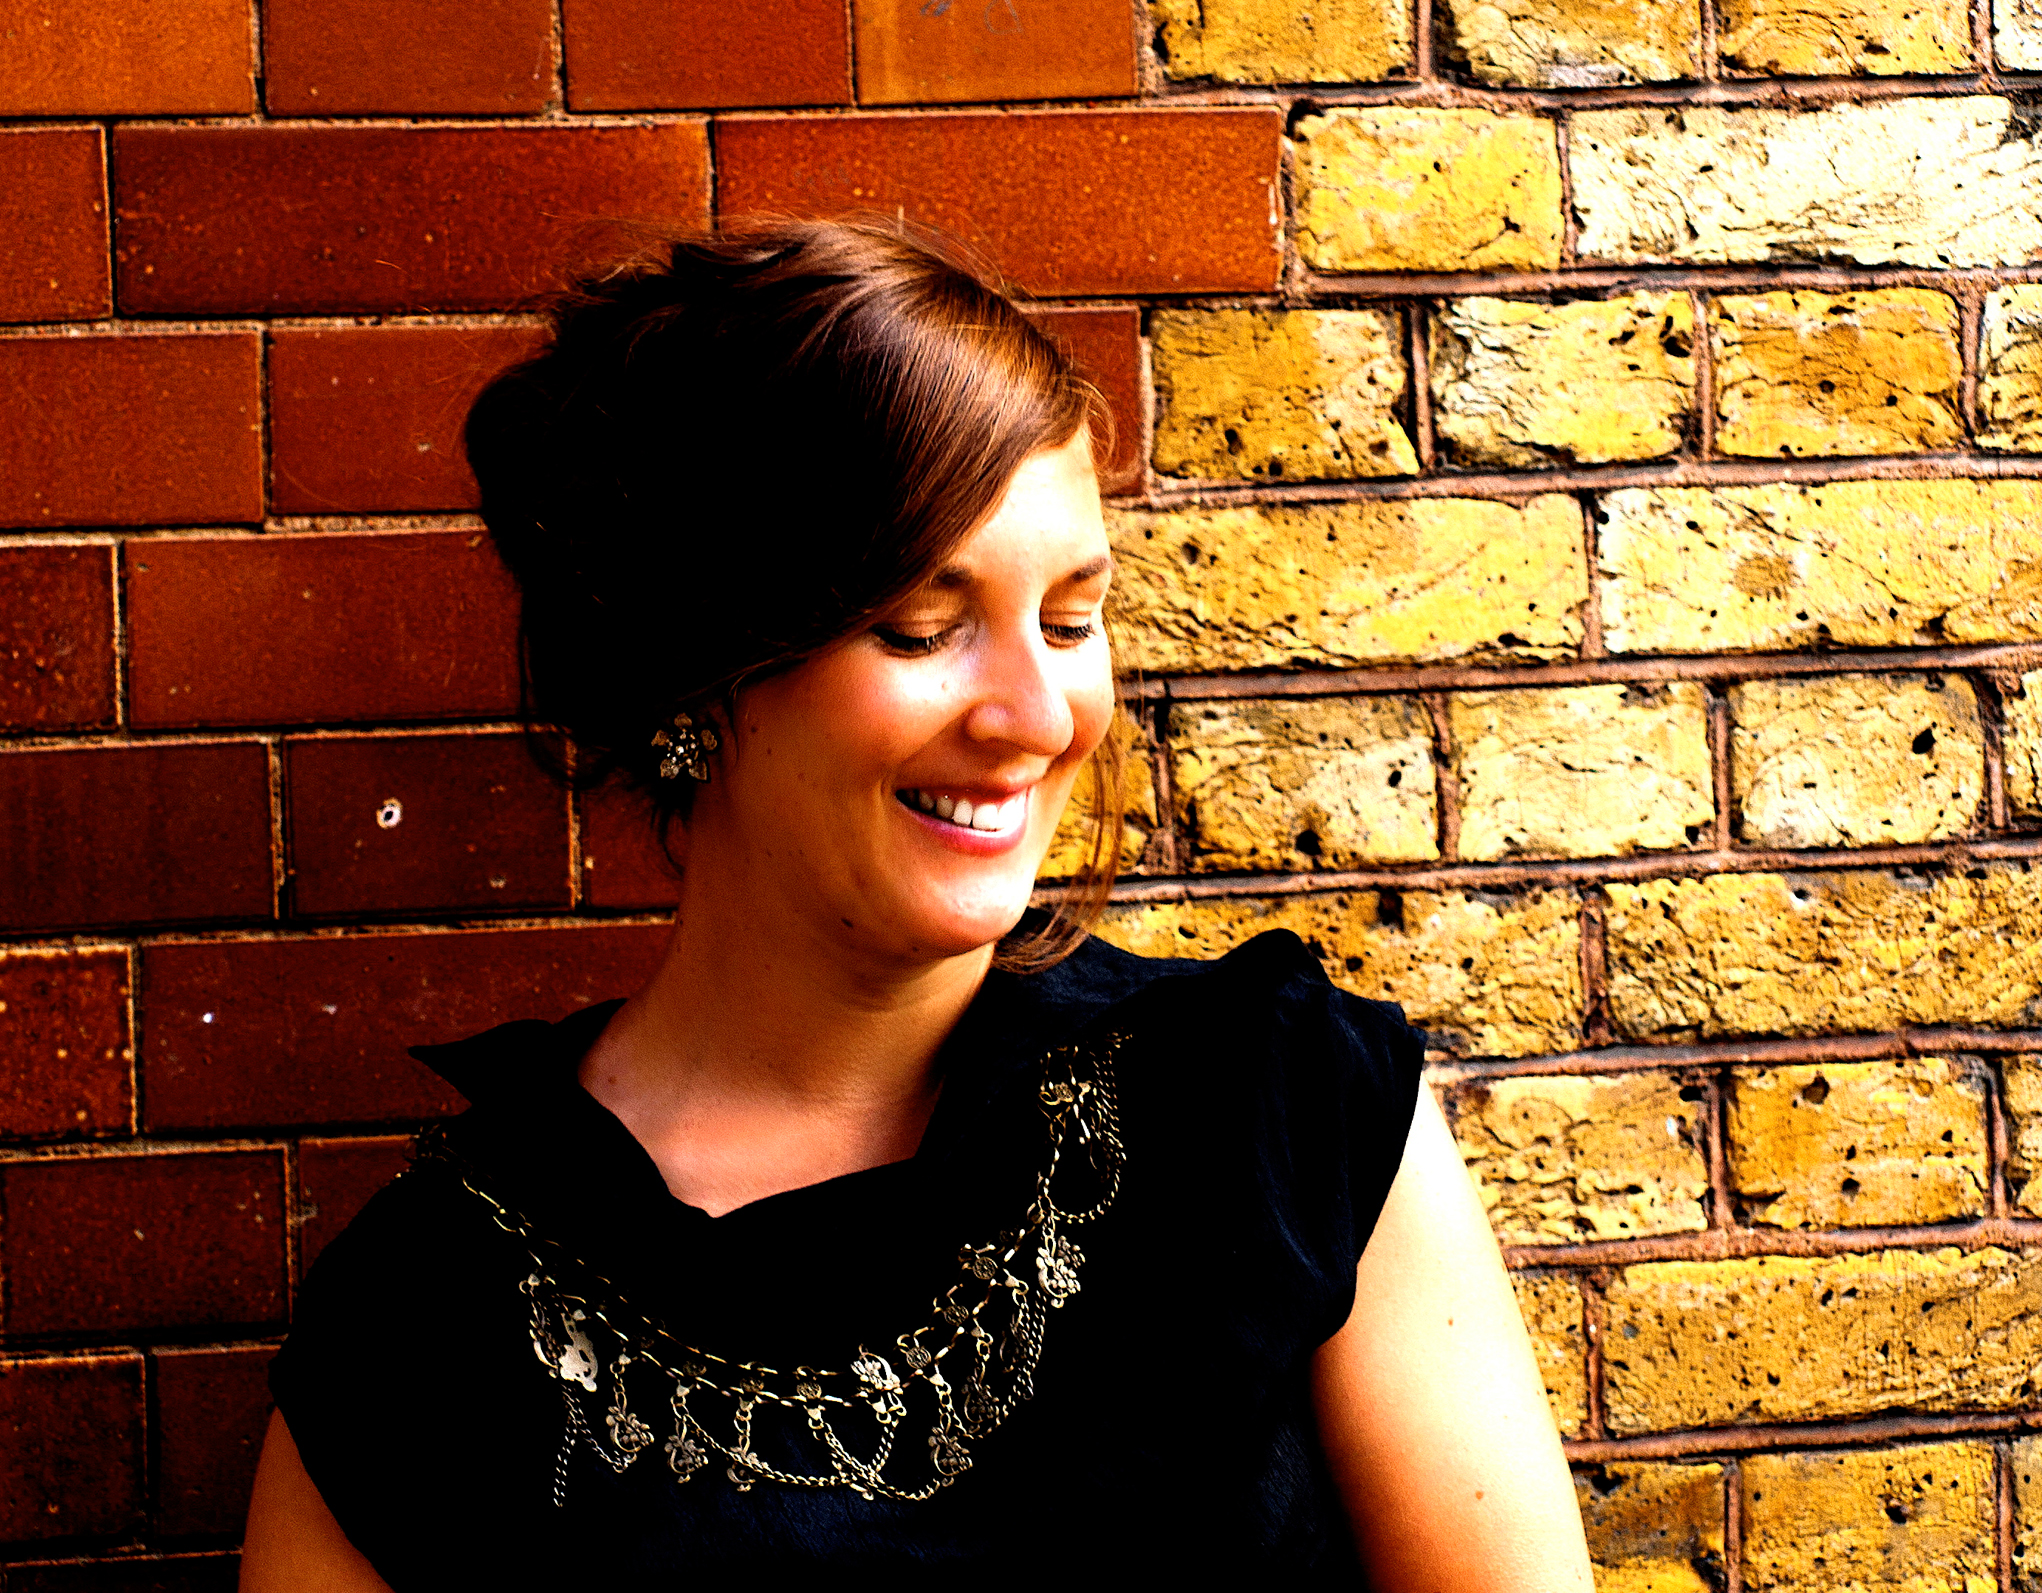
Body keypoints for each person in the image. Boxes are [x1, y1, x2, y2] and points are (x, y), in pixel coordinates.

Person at [239, 219, 1593, 1593]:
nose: (1034, 714)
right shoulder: (432, 1308)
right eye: (920, 626)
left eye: (1069, 621)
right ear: (693, 679)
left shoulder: (1275, 1101)